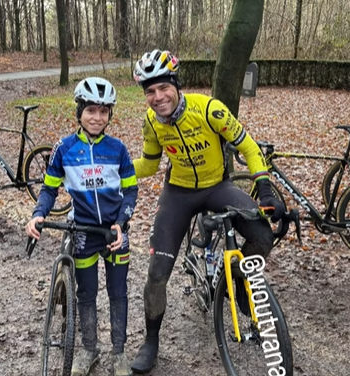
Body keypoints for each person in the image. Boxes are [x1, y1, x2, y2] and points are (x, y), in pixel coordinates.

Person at [130, 49, 285, 373]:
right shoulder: (151, 122)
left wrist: (265, 187)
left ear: (176, 84)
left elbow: (248, 146)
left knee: (262, 235)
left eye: (163, 88)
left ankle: (237, 280)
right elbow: (148, 164)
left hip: (218, 187)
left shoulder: (210, 110)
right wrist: (112, 172)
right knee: (157, 275)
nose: (158, 97)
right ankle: (151, 341)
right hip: (178, 194)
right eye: (150, 92)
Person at [25, 77, 138, 376]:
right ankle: (89, 350)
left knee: (118, 292)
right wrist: (38, 213)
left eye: (103, 112)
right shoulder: (64, 148)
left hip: (113, 232)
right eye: (91, 110)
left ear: (110, 115)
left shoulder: (118, 149)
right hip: (84, 232)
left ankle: (119, 353)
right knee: (86, 294)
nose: (97, 118)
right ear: (79, 112)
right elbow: (49, 190)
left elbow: (131, 191)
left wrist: (121, 222)